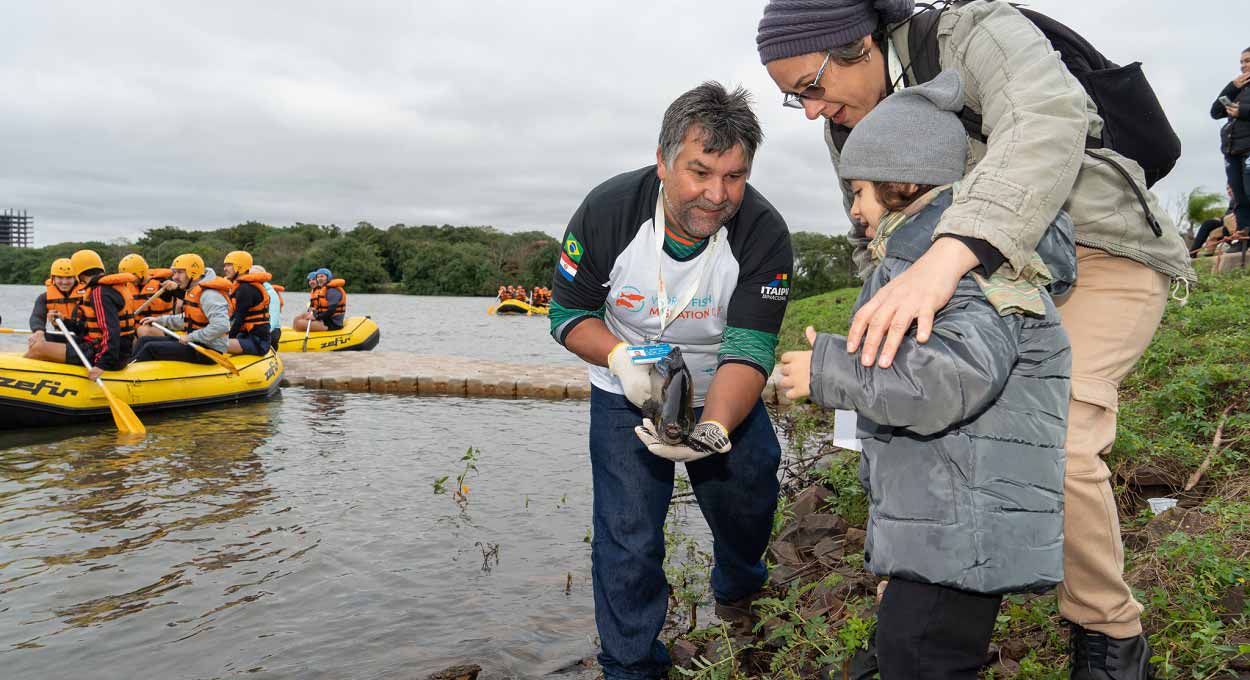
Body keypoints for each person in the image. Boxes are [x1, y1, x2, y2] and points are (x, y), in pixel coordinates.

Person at [755, 2, 1195, 675]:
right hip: (978, 274)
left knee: (1060, 436)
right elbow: (877, 242)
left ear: (861, 43)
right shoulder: (849, 122)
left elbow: (1045, 120)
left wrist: (953, 250)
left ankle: (1108, 634)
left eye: (811, 86)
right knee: (929, 430)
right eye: (793, 100)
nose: (811, 111)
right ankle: (925, 620)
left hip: (1104, 253)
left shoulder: (975, 32)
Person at [780, 70, 1073, 680]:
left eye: (857, 191)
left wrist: (831, 370)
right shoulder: (918, 264)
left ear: (902, 183)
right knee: (907, 656)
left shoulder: (967, 271)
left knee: (920, 660)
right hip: (945, 528)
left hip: (962, 530)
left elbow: (949, 381)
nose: (855, 211)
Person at [550, 82, 792, 679]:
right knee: (628, 535)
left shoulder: (764, 233)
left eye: (734, 176)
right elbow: (567, 317)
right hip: (626, 391)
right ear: (663, 162)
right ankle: (631, 666)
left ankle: (738, 588)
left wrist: (710, 429)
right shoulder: (609, 212)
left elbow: (749, 350)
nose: (717, 195)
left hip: (724, 388)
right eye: (700, 172)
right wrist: (619, 361)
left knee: (750, 496)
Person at [24, 249, 133, 380]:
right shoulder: (106, 289)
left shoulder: (99, 293)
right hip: (110, 350)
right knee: (41, 342)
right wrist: (64, 321)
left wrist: (102, 365)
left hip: (108, 356)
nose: (64, 281)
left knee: (38, 349)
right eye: (60, 277)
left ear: (77, 272)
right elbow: (89, 327)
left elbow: (111, 330)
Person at [132, 254, 231, 364]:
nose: (174, 277)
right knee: (144, 340)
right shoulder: (193, 290)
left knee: (150, 348)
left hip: (208, 350)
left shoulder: (209, 295)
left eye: (179, 272)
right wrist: (159, 320)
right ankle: (129, 368)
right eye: (174, 273)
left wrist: (190, 337)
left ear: (193, 273)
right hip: (194, 342)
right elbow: (187, 319)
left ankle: (131, 376)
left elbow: (221, 326)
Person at [1212, 47, 1250, 240]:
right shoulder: (1237, 88)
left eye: (1248, 61)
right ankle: (1244, 234)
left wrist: (1241, 111)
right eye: (1242, 62)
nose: (1244, 65)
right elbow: (1215, 111)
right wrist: (1231, 86)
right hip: (1232, 149)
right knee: (1239, 193)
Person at [221, 251, 273, 356]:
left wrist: (225, 338)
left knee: (212, 344)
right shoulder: (242, 287)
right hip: (245, 336)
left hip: (257, 342)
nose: (225, 269)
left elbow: (238, 320)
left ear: (240, 267)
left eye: (229, 265)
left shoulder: (245, 289)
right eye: (225, 265)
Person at [27, 258, 82, 348]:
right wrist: (38, 331)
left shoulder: (86, 295)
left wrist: (64, 320)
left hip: (83, 337)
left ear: (75, 278)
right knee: (36, 341)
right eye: (60, 277)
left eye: (69, 278)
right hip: (62, 335)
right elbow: (37, 316)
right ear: (53, 278)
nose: (64, 282)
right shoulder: (44, 297)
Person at [125, 254, 178, 336]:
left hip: (160, 326)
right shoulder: (126, 286)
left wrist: (176, 288)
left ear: (141, 273)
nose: (129, 279)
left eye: (132, 276)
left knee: (143, 331)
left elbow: (184, 296)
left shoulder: (162, 284)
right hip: (135, 327)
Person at [250, 265, 284, 351]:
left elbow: (273, 318)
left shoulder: (271, 294)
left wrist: (262, 333)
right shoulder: (252, 291)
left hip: (272, 331)